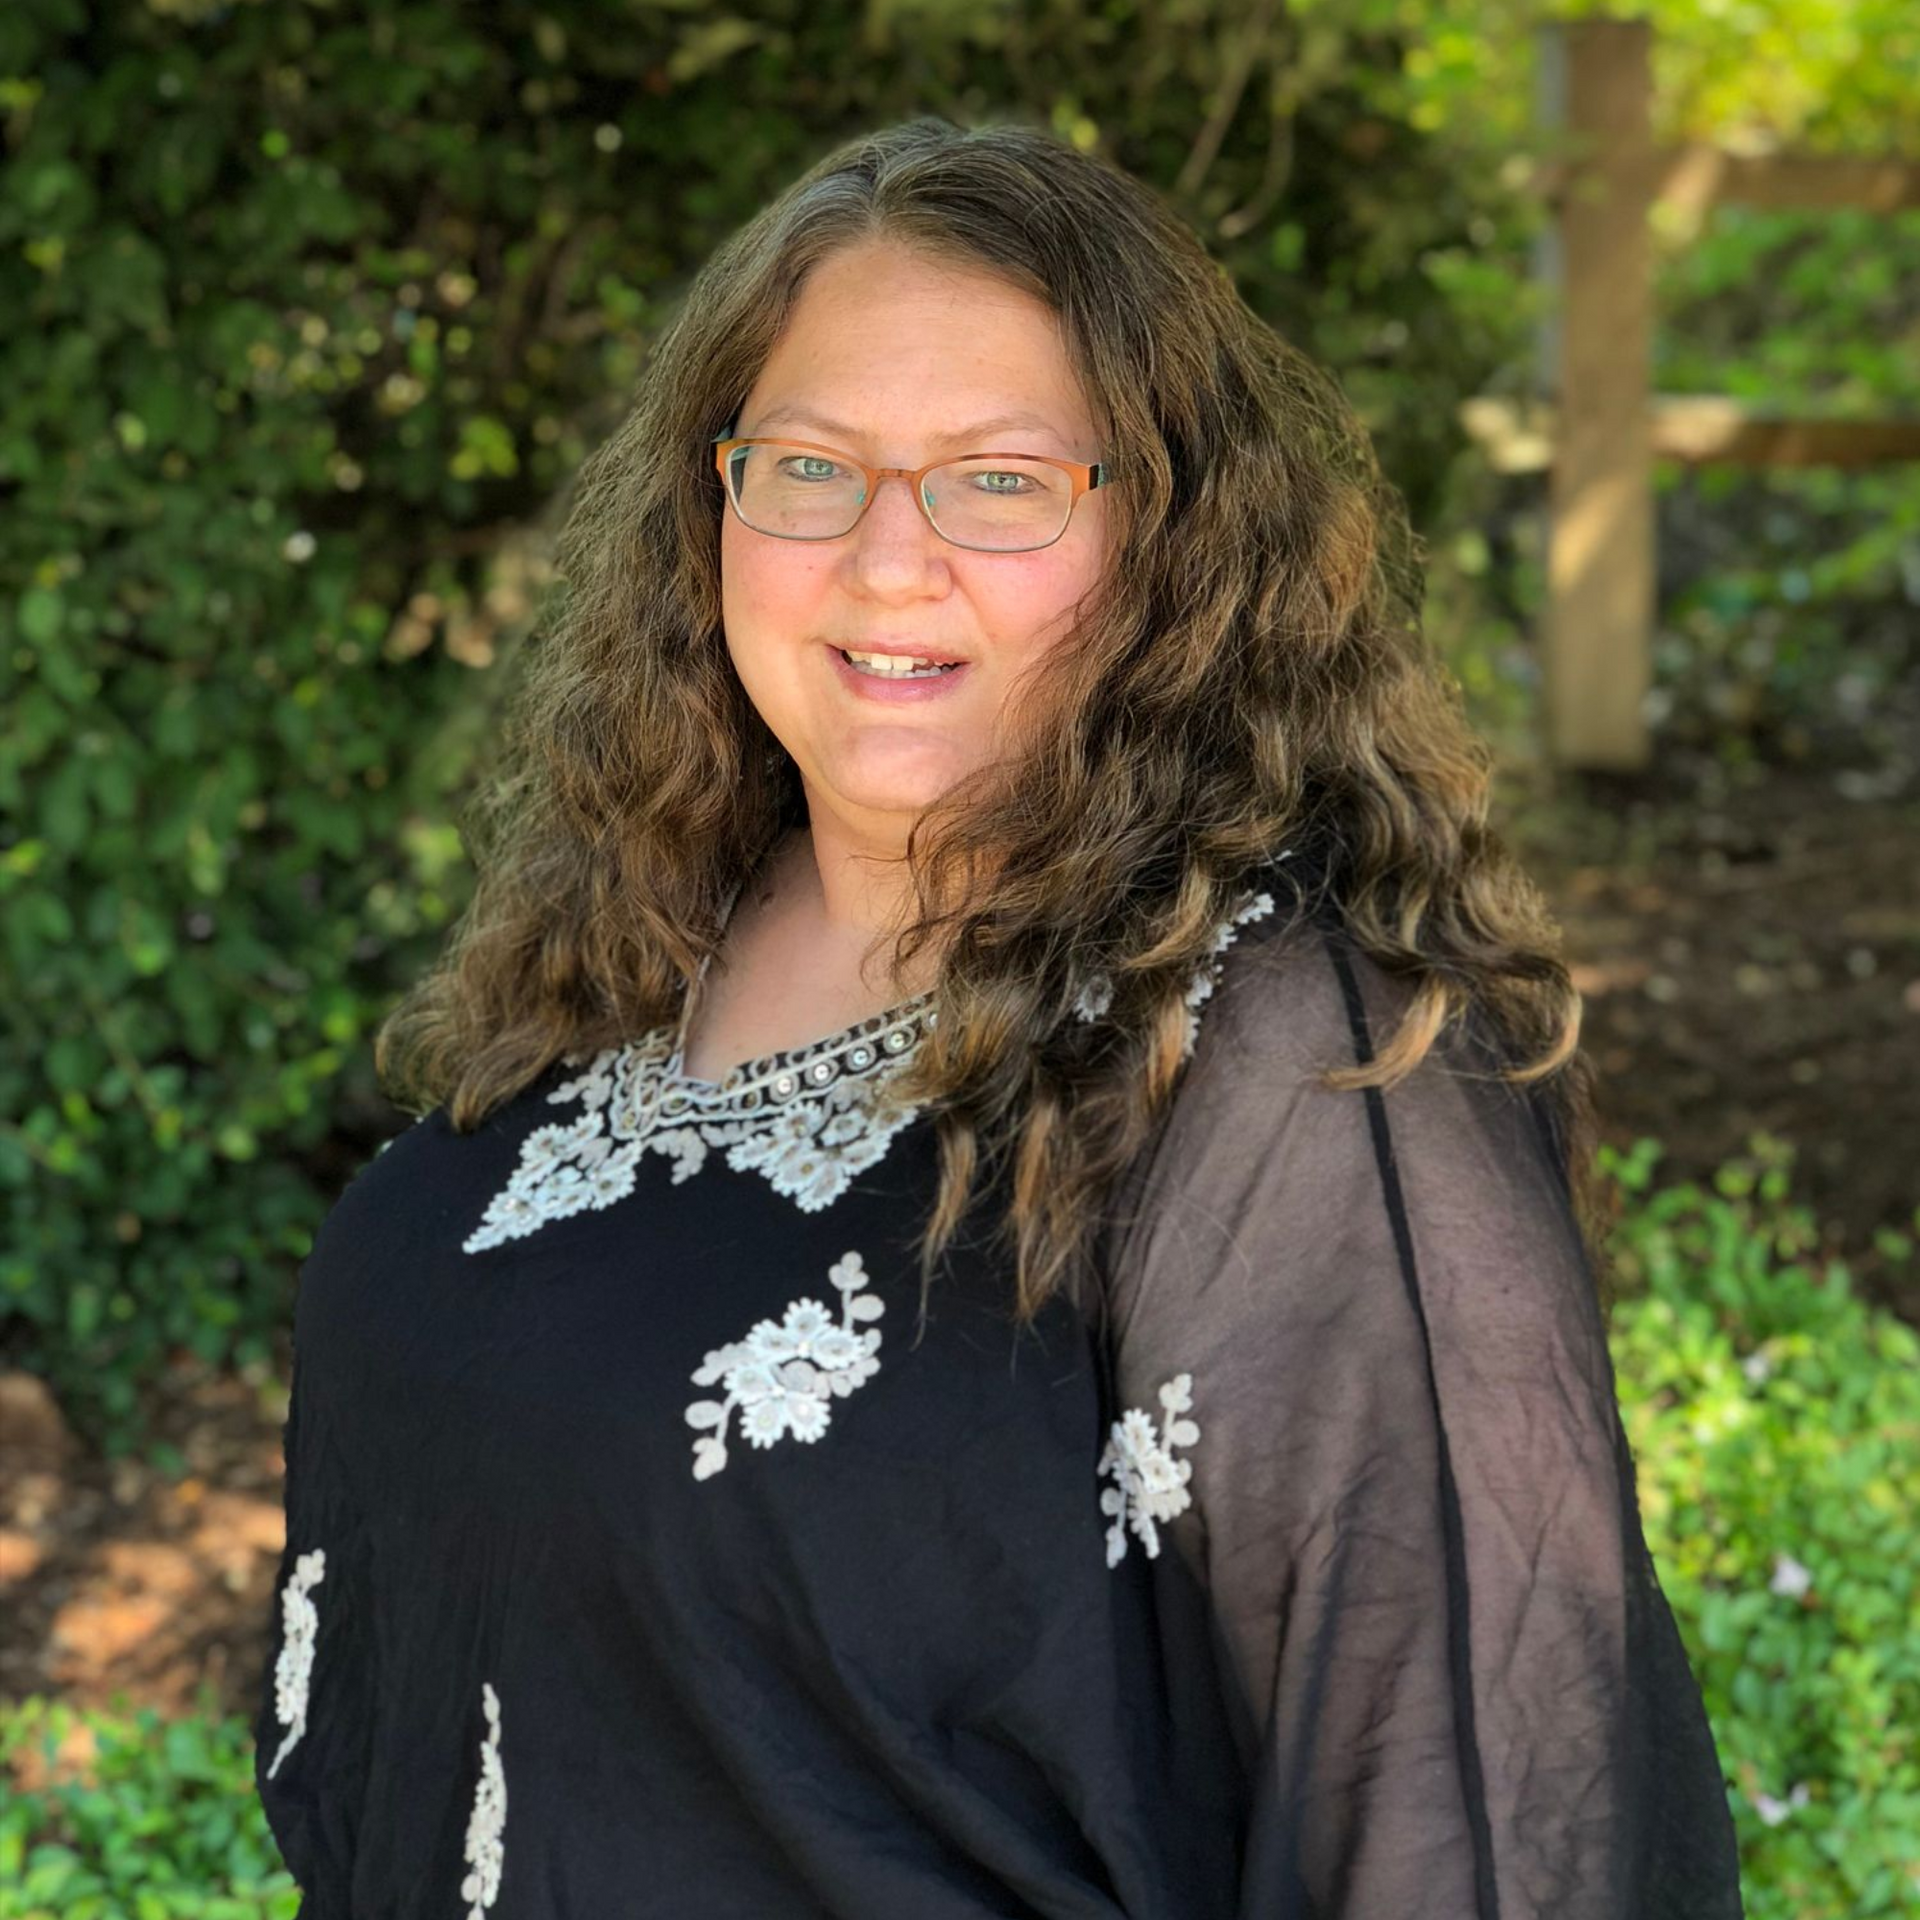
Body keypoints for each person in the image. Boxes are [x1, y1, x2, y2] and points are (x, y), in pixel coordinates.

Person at [252, 116, 1746, 1918]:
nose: (888, 561)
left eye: (1002, 481)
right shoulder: (638, 928)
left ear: (1172, 535)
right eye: (810, 466)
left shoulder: (1287, 1050)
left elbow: (1475, 1807)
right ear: (711, 503)